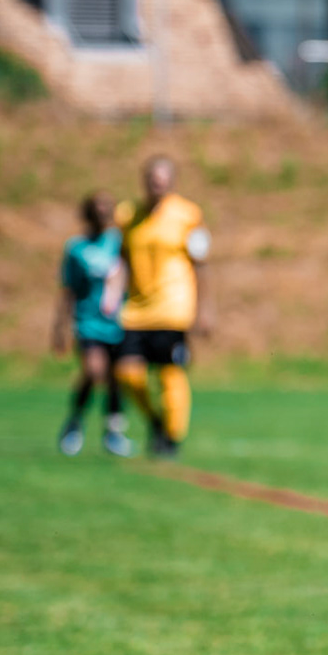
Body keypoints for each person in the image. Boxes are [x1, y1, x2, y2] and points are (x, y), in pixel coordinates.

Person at [114, 156, 211, 459]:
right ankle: (155, 422)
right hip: (136, 310)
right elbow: (122, 260)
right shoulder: (128, 215)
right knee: (128, 373)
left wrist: (204, 308)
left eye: (163, 180)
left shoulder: (188, 215)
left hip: (173, 307)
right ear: (144, 181)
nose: (158, 186)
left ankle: (172, 437)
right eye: (153, 180)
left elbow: (201, 263)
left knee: (170, 374)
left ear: (172, 182)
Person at [52, 192, 135, 458]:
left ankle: (114, 431)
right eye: (97, 208)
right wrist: (59, 327)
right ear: (88, 213)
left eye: (106, 208)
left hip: (119, 321)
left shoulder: (120, 242)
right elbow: (68, 290)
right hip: (88, 322)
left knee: (117, 378)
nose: (102, 213)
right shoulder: (76, 248)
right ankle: (75, 422)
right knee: (94, 370)